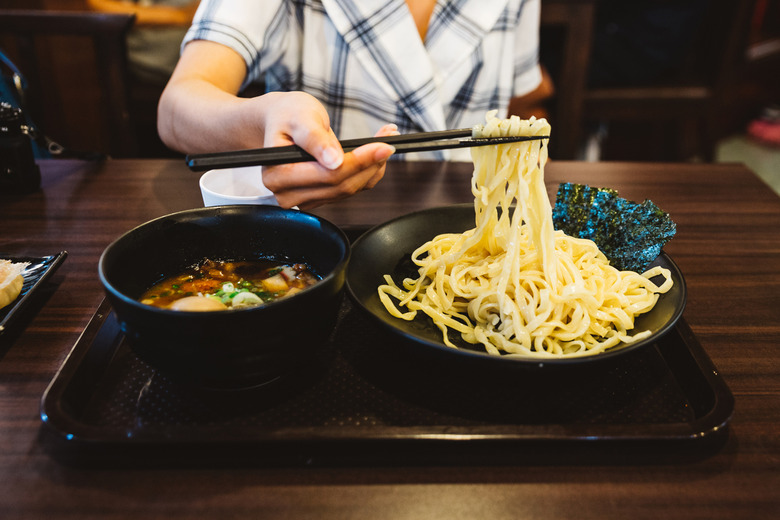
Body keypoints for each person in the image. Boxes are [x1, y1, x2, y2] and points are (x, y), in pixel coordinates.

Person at [157, 0, 544, 209]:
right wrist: (264, 117)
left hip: (473, 218)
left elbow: (523, 101)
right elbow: (178, 105)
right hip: (325, 229)